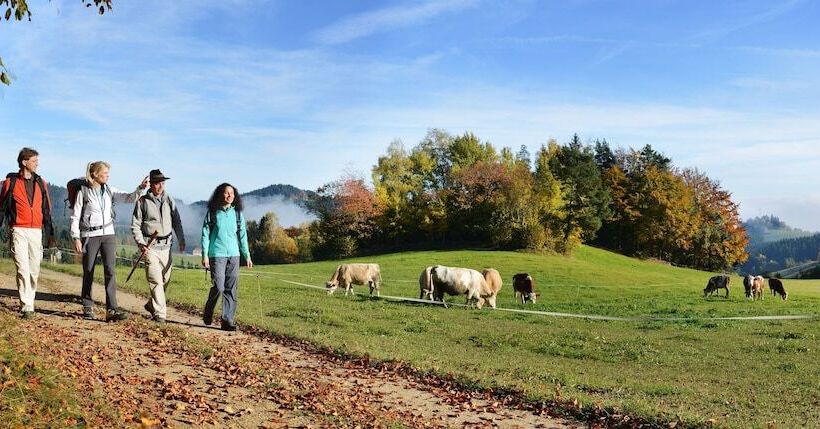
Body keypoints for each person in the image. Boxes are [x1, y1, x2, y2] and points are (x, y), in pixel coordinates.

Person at [70, 161, 148, 321]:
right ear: (95, 174)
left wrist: (140, 188)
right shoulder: (83, 192)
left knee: (110, 271)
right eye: (105, 172)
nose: (108, 175)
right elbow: (75, 216)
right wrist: (76, 237)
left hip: (108, 234)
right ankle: (87, 305)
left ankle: (112, 310)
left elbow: (129, 198)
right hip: (90, 235)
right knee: (88, 270)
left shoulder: (109, 190)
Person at [0, 148, 56, 320]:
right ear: (24, 162)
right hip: (18, 230)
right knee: (22, 268)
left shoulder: (41, 183)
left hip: (36, 231)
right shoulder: (10, 183)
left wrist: (50, 235)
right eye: (34, 161)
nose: (37, 164)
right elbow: (1, 209)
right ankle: (27, 306)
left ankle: (29, 300)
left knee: (34, 270)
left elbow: (46, 211)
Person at [130, 169, 185, 324]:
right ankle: (160, 315)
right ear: (151, 184)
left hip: (166, 248)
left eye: (163, 183)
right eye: (157, 183)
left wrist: (181, 239)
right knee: (156, 281)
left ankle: (151, 304)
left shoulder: (169, 200)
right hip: (150, 247)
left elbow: (177, 221)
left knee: (165, 280)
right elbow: (135, 225)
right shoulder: (142, 201)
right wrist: (141, 243)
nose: (161, 186)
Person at [201, 183, 252, 331]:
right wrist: (205, 255)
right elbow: (205, 234)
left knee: (231, 288)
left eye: (232, 193)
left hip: (234, 255)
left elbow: (243, 236)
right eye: (226, 192)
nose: (230, 195)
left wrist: (247, 256)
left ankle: (227, 320)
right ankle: (208, 311)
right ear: (220, 194)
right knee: (218, 286)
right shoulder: (212, 213)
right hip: (217, 255)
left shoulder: (237, 214)